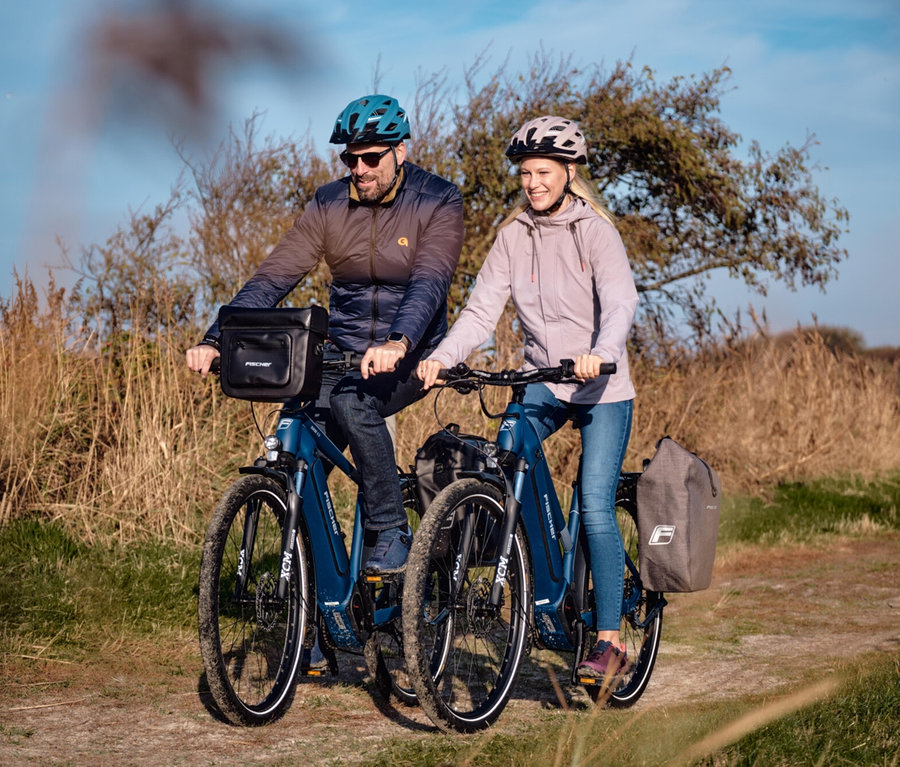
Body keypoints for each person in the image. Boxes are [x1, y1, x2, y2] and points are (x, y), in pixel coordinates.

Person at [187, 93, 464, 581]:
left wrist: (398, 342)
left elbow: (429, 283)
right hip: (342, 352)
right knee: (298, 454)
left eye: (371, 158)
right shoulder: (329, 203)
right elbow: (274, 276)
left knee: (353, 404)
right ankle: (320, 612)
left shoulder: (438, 199)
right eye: (350, 159)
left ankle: (390, 529)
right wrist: (216, 337)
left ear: (401, 150)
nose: (360, 169)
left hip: (411, 353)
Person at [417, 115, 638, 684]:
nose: (532, 183)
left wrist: (602, 350)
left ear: (568, 173)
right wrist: (443, 356)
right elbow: (480, 311)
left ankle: (610, 640)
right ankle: (546, 578)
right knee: (506, 457)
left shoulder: (595, 232)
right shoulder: (513, 234)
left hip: (600, 384)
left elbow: (620, 303)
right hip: (541, 377)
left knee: (593, 503)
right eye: (524, 173)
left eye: (543, 172)